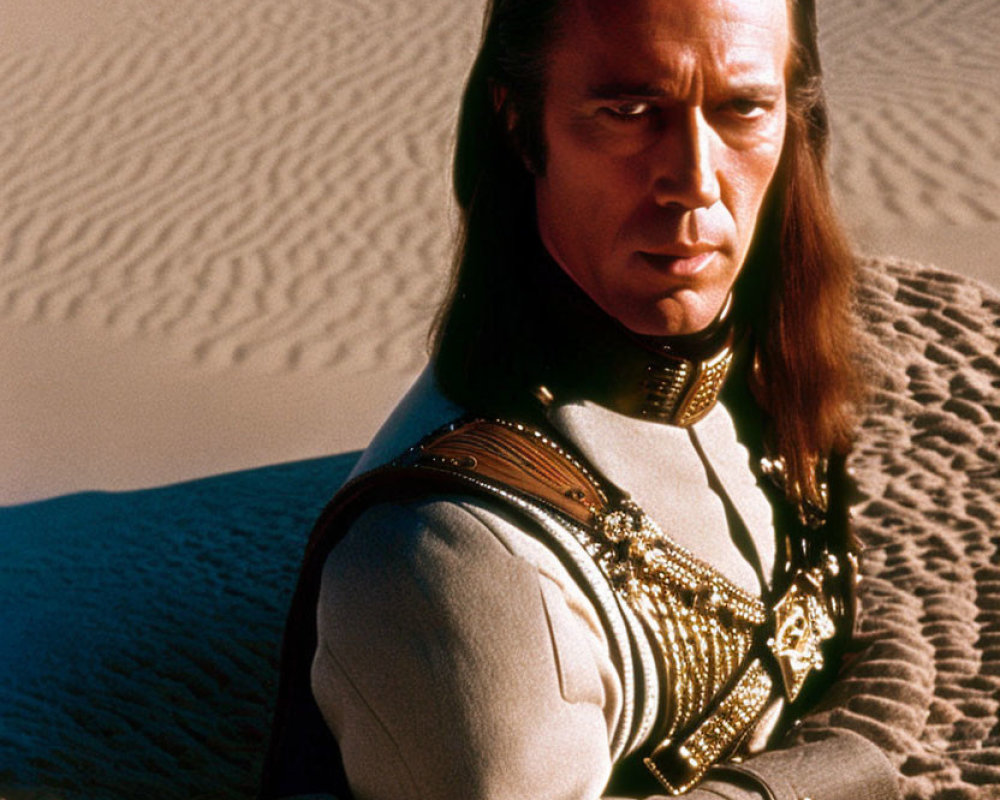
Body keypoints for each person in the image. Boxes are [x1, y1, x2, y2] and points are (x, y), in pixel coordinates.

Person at [261, 0, 903, 797]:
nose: (695, 184)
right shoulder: (451, 569)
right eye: (629, 112)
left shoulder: (769, 366)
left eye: (743, 109)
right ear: (519, 122)